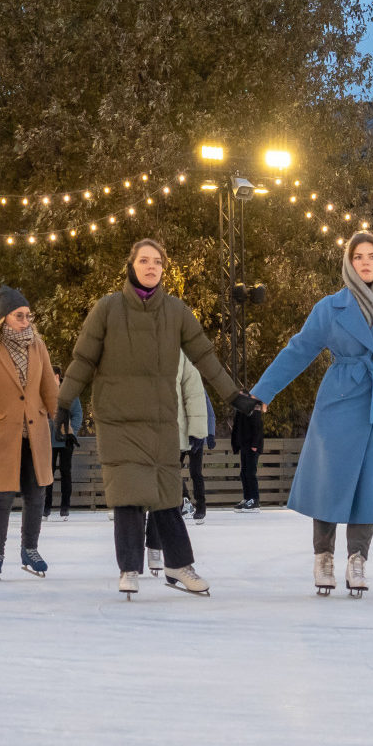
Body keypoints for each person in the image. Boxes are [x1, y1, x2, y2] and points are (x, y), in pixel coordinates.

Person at [57, 239, 258, 598]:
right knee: (129, 494)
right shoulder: (108, 309)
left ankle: (178, 565)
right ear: (131, 265)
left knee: (167, 494)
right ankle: (129, 568)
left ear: (163, 270)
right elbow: (83, 360)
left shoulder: (176, 312)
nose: (151, 267)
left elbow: (205, 356)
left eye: (157, 262)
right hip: (117, 419)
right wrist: (62, 402)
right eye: (144, 261)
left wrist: (233, 395)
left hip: (162, 420)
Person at [249, 231, 373, 598]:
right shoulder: (330, 307)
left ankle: (358, 558)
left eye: (372, 256)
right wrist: (264, 391)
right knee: (330, 479)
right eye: (358, 257)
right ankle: (323, 556)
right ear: (349, 263)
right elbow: (299, 350)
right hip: (339, 398)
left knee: (369, 484)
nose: (365, 263)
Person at [0, 286, 60, 579]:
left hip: (35, 430)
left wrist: (62, 419)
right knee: (2, 496)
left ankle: (29, 548)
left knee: (36, 492)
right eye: (19, 315)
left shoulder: (38, 344)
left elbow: (49, 385)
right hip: (1, 431)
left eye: (28, 315)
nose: (25, 320)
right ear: (5, 318)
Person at [44, 365, 80, 520]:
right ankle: (46, 508)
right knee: (47, 474)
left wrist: (72, 432)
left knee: (66, 473)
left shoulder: (69, 393)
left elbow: (77, 414)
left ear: (57, 376)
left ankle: (65, 507)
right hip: (48, 440)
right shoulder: (43, 392)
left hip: (66, 440)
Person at [177, 356, 209, 523]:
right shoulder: (175, 390)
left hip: (196, 436)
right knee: (173, 469)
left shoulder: (198, 390)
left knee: (195, 472)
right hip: (180, 436)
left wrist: (208, 434)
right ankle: (185, 500)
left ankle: (201, 506)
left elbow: (207, 413)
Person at [230, 404, 263, 512]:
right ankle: (247, 498)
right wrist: (236, 445)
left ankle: (254, 500)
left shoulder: (254, 410)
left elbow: (257, 428)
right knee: (244, 473)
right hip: (244, 446)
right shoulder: (241, 411)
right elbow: (237, 428)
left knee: (250, 472)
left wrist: (254, 445)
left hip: (252, 447)